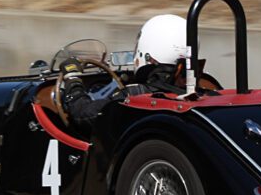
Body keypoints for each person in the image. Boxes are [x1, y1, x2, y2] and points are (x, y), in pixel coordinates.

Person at [61, 14, 189, 128]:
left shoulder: (133, 95)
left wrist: (73, 80)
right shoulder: (193, 95)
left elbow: (81, 114)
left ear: (147, 54)